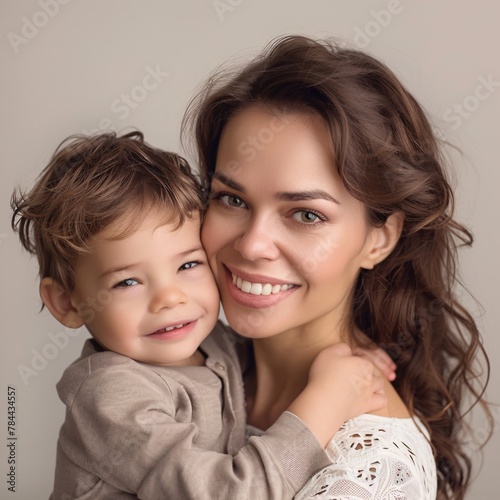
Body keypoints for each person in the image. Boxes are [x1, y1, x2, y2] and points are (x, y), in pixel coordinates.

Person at [184, 35, 492, 499]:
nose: (252, 244)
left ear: (379, 238)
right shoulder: (183, 362)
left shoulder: (369, 473)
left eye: (306, 214)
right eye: (231, 198)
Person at [11, 131, 391, 499]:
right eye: (127, 283)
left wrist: (350, 360)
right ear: (66, 303)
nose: (170, 298)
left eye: (188, 264)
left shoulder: (214, 344)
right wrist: (331, 395)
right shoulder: (111, 397)